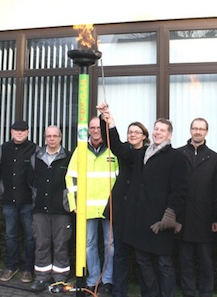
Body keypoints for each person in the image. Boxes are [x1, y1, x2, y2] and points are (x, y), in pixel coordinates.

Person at [97, 103, 187, 297]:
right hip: (140, 220)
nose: (158, 133)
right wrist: (109, 122)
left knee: (163, 263)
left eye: (162, 130)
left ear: (169, 135)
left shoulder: (176, 157)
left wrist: (170, 214)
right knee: (143, 261)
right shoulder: (141, 154)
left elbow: (179, 190)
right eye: (156, 129)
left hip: (160, 221)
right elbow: (118, 148)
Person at [66, 117, 119, 295]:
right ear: (88, 130)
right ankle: (93, 280)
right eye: (92, 128)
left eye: (99, 127)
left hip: (108, 208)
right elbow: (71, 177)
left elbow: (120, 179)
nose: (96, 130)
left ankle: (108, 281)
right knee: (89, 245)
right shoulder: (80, 151)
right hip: (86, 208)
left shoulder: (113, 151)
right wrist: (74, 203)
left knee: (110, 244)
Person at [99, 113, 150, 297]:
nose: (133, 134)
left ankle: (147, 292)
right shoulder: (125, 151)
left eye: (137, 132)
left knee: (143, 257)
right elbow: (113, 143)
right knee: (119, 254)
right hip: (121, 211)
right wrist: (107, 120)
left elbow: (123, 150)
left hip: (140, 212)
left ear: (144, 136)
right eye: (130, 132)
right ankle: (119, 292)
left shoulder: (148, 153)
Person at [176, 118, 217, 297]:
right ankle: (188, 292)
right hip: (183, 218)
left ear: (206, 132)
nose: (197, 132)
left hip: (204, 219)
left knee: (206, 262)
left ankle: (206, 292)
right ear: (190, 130)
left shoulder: (214, 158)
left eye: (201, 129)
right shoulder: (178, 154)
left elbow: (216, 190)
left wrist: (215, 219)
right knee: (185, 260)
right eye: (195, 128)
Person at [28, 125, 73, 292]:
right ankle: (41, 277)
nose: (52, 139)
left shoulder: (69, 157)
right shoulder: (36, 157)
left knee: (61, 243)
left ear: (60, 137)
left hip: (61, 209)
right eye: (49, 136)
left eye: (55, 136)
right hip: (40, 208)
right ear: (45, 138)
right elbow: (30, 180)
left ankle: (60, 278)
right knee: (41, 243)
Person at [0, 120, 37, 283]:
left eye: (23, 131)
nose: (19, 133)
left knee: (30, 236)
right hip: (8, 201)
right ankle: (11, 266)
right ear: (11, 132)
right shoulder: (2, 149)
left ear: (28, 132)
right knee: (10, 235)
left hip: (28, 201)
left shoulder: (34, 150)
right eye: (16, 130)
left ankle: (28, 269)